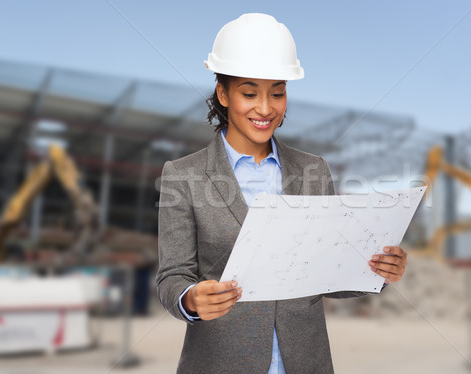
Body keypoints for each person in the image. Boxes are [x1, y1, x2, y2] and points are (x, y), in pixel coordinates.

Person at [156, 13, 408, 374]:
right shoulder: (183, 176)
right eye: (249, 92)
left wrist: (378, 272)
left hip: (305, 363)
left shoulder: (313, 170)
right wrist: (191, 299)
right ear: (223, 94)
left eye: (277, 92)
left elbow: (329, 276)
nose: (265, 108)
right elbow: (172, 276)